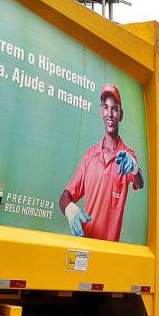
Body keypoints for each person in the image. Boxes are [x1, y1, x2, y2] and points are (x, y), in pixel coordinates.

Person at [59, 84, 144, 242]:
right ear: (101, 111)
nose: (110, 114)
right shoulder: (90, 156)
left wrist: (134, 167)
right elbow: (64, 197)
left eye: (114, 109)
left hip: (109, 253)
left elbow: (140, 182)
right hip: (84, 248)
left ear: (121, 114)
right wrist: (71, 210)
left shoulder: (126, 156)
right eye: (106, 108)